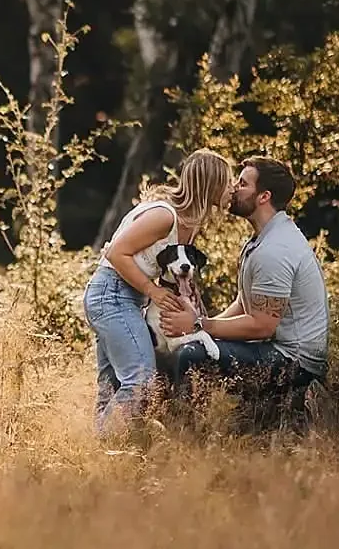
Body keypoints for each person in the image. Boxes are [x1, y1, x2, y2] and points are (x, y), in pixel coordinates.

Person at [156, 155, 328, 424]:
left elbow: (262, 326)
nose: (234, 188)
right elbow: (244, 303)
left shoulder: (275, 250)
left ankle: (180, 436)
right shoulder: (261, 240)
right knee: (181, 347)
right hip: (275, 347)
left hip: (293, 361)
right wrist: (191, 328)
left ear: (263, 196)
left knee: (189, 355)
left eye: (243, 183)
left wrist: (199, 324)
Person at [82, 149, 233, 434]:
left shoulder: (190, 224)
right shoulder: (165, 216)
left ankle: (99, 459)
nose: (231, 190)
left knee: (112, 385)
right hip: (111, 294)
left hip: (127, 299)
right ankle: (100, 449)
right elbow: (116, 253)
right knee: (140, 381)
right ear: (210, 184)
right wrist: (153, 291)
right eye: (226, 182)